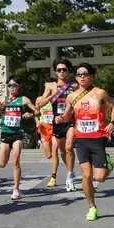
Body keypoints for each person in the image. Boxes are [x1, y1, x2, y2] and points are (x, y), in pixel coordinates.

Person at [56, 63, 114, 221]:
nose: (82, 77)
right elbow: (67, 115)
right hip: (81, 140)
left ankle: (107, 163)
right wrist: (60, 118)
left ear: (91, 76)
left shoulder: (100, 93)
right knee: (86, 174)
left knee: (100, 178)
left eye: (85, 74)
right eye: (79, 74)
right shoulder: (72, 96)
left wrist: (112, 123)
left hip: (97, 139)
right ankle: (92, 207)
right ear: (76, 77)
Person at [0, 76, 40, 200]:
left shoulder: (23, 99)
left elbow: (37, 111)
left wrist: (30, 114)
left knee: (15, 160)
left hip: (18, 133)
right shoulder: (3, 100)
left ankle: (16, 189)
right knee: (2, 163)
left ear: (19, 87)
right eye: (9, 86)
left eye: (14, 85)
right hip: (5, 133)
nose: (11, 88)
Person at [37, 58, 78, 191]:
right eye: (59, 70)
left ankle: (70, 177)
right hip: (57, 121)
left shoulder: (75, 86)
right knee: (61, 151)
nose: (61, 72)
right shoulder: (51, 86)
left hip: (70, 120)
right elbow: (40, 103)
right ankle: (70, 170)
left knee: (69, 146)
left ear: (68, 71)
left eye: (64, 69)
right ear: (56, 72)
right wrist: (52, 95)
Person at [36, 78, 57, 160]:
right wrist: (37, 121)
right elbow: (36, 113)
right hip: (44, 127)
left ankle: (55, 168)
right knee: (48, 155)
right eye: (46, 86)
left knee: (55, 147)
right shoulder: (39, 100)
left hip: (55, 127)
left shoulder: (57, 98)